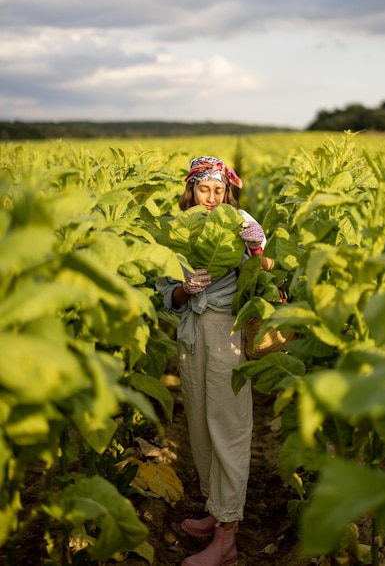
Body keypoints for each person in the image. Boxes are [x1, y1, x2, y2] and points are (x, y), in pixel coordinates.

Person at [156, 156, 273, 566]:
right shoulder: (178, 231)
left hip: (226, 333)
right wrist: (185, 290)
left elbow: (267, 277)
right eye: (203, 189)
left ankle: (227, 538)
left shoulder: (238, 225)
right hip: (192, 335)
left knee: (227, 425)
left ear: (227, 193)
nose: (211, 197)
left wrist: (257, 247)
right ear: (191, 190)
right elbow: (164, 297)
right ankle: (215, 509)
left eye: (219, 190)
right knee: (201, 425)